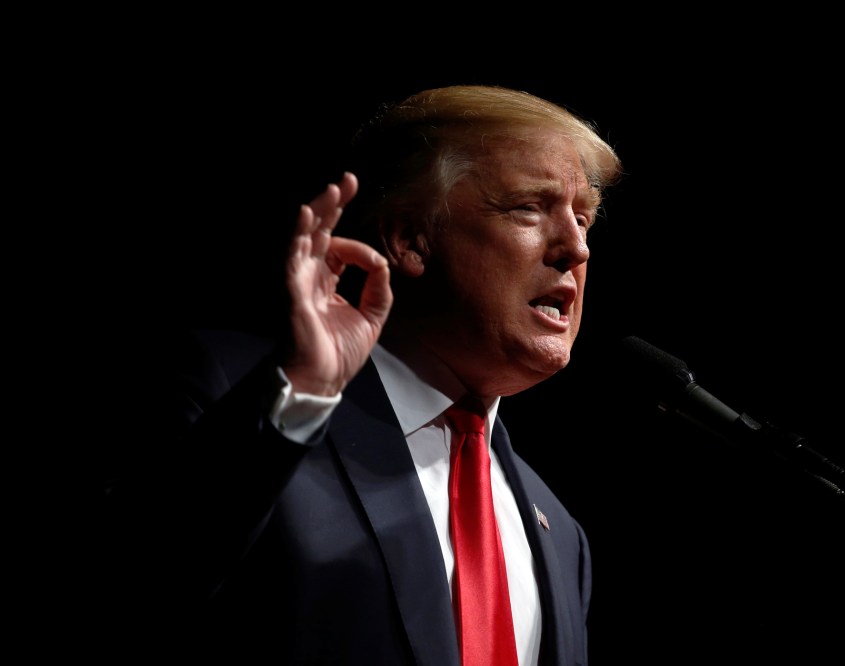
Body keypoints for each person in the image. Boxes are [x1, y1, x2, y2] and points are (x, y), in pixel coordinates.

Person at [100, 84, 623, 665]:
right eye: (528, 207)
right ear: (409, 239)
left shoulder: (561, 535)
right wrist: (303, 394)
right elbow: (126, 591)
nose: (577, 249)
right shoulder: (243, 396)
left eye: (583, 219)